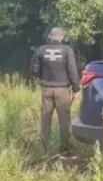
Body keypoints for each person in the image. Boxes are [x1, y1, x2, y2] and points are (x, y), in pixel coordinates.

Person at [31, 27, 80, 156]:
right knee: (64, 120)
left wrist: (43, 77)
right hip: (63, 90)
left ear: (50, 37)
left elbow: (34, 70)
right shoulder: (67, 51)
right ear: (62, 37)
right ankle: (63, 148)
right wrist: (76, 88)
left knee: (45, 119)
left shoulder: (40, 50)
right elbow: (72, 71)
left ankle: (44, 149)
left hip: (46, 90)